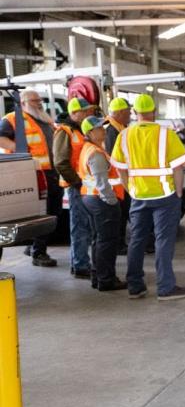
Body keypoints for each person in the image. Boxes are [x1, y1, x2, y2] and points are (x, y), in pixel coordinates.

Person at [110, 94, 185, 301]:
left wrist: (130, 190)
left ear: (136, 113)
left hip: (138, 196)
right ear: (154, 111)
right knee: (163, 240)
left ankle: (135, 286)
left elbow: (120, 170)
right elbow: (178, 168)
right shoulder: (166, 134)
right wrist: (179, 192)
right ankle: (165, 287)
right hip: (165, 195)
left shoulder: (124, 135)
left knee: (137, 240)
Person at [0, 89, 60, 267]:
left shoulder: (44, 118)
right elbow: (1, 138)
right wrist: (22, 152)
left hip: (51, 171)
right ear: (24, 103)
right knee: (44, 211)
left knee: (53, 211)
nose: (39, 103)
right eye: (35, 100)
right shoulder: (12, 119)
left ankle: (34, 246)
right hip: (32, 173)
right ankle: (39, 253)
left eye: (39, 100)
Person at [77, 117, 126, 291]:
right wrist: (112, 201)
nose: (103, 130)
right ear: (90, 133)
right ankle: (107, 280)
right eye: (99, 128)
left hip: (92, 200)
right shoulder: (96, 153)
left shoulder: (91, 149)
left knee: (99, 240)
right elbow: (102, 182)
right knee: (107, 241)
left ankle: (98, 277)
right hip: (102, 201)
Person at [53, 97, 97, 279]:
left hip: (85, 186)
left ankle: (80, 263)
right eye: (85, 111)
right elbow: (61, 162)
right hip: (77, 186)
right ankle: (80, 265)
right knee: (80, 226)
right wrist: (77, 181)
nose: (88, 114)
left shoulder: (78, 131)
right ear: (74, 113)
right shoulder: (65, 132)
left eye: (89, 111)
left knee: (84, 225)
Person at [104, 96, 133, 253]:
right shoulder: (110, 130)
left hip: (121, 179)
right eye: (128, 111)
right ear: (120, 112)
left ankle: (121, 243)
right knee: (120, 214)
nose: (130, 114)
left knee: (124, 213)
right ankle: (119, 245)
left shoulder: (119, 127)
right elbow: (112, 156)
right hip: (116, 181)